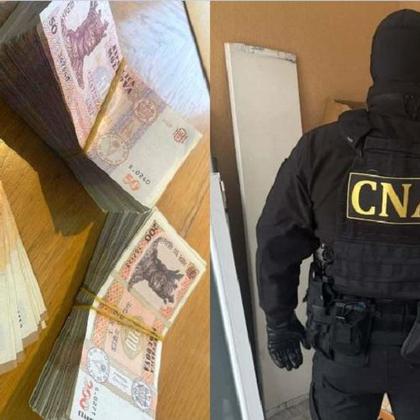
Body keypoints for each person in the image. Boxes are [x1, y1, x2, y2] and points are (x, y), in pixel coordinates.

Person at [256, 9, 420, 420]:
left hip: (345, 346)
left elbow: (276, 239)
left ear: (376, 67)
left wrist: (279, 320)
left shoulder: (322, 148)